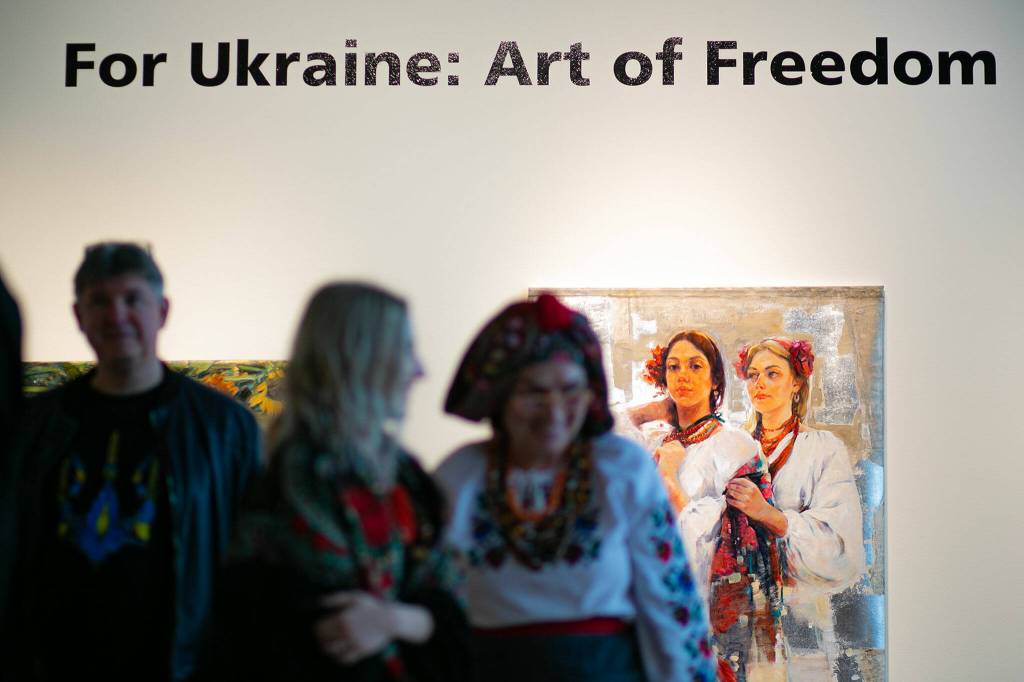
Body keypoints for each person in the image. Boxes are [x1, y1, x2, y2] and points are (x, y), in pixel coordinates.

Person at [6, 242, 262, 681]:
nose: (116, 315)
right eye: (100, 301)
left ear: (161, 311)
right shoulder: (35, 427)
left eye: (131, 299)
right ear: (78, 316)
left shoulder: (225, 430)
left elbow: (254, 566)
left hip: (178, 666)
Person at [436, 294, 716, 682]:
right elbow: (430, 605)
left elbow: (670, 607)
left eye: (570, 390)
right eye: (534, 392)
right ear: (501, 395)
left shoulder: (621, 470)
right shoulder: (462, 475)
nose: (554, 410)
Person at [210, 282, 472, 682]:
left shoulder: (408, 479)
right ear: (360, 358)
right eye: (404, 350)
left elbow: (453, 614)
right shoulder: (277, 486)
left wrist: (391, 620)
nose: (419, 371)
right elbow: (249, 634)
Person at [629, 331, 786, 681]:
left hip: (706, 607)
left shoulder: (733, 445)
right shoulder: (656, 440)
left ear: (715, 378)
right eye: (674, 367)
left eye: (695, 366)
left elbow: (702, 538)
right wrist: (650, 410)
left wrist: (668, 476)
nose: (683, 375)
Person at [733, 337, 865, 679]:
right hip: (737, 618)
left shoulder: (823, 450)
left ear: (796, 382)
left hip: (802, 620)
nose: (759, 383)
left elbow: (841, 546)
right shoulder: (732, 448)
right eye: (753, 374)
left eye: (772, 373)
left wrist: (771, 516)